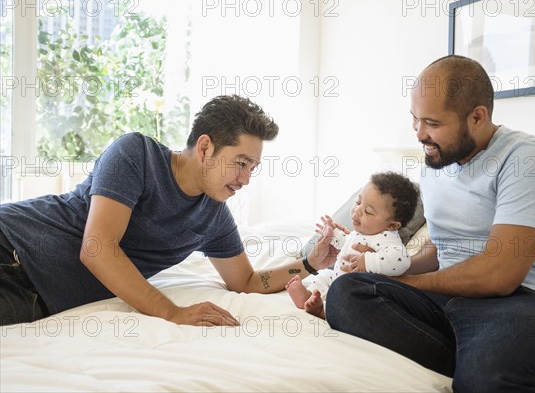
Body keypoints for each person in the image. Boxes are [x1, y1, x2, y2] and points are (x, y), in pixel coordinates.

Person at [321, 55, 535, 392]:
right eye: (414, 119)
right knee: (349, 291)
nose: (419, 134)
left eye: (431, 122)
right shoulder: (436, 163)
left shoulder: (526, 161)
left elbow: (500, 275)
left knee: (486, 376)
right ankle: (467, 358)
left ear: (477, 116)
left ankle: (478, 365)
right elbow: (443, 245)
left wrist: (413, 283)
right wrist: (391, 269)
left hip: (526, 302)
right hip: (449, 299)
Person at [0, 95, 339, 327]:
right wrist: (171, 312)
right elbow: (98, 248)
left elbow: (247, 281)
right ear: (205, 147)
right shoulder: (137, 154)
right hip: (13, 245)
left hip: (38, 298)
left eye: (253, 167)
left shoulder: (214, 214)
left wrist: (310, 263)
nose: (246, 179)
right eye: (241, 163)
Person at [286, 171, 418, 318]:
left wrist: (368, 261)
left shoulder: (387, 238)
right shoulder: (361, 233)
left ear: (392, 225)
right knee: (324, 275)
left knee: (353, 301)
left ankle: (322, 310)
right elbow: (347, 244)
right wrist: (333, 233)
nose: (357, 210)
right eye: (358, 202)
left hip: (357, 287)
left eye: (368, 211)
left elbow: (401, 260)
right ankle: (310, 295)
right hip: (337, 277)